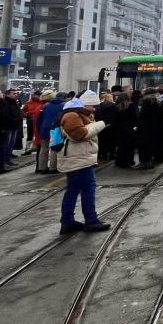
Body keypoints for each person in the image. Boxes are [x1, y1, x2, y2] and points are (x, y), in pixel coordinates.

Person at [58, 90, 111, 235]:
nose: (94, 109)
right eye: (92, 106)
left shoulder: (75, 114)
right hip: (78, 158)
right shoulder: (72, 115)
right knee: (88, 188)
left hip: (77, 156)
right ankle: (91, 220)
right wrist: (99, 125)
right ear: (84, 104)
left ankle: (67, 221)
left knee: (73, 189)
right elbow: (79, 135)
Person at [36, 90, 65, 174]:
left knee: (43, 148)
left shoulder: (45, 106)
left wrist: (39, 129)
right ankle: (53, 167)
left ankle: (42, 168)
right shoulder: (63, 105)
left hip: (44, 128)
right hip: (56, 129)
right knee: (54, 149)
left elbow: (39, 119)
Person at [136, 88, 163, 170]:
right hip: (155, 127)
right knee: (153, 145)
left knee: (144, 146)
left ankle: (144, 163)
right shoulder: (158, 102)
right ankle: (153, 160)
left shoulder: (146, 101)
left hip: (145, 127)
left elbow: (142, 114)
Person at [113, 92, 138, 168]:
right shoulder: (131, 106)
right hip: (130, 129)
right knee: (129, 146)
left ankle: (120, 161)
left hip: (120, 129)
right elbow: (135, 117)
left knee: (121, 146)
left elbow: (115, 119)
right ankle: (129, 161)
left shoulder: (116, 107)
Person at [94, 91, 117, 163]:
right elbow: (115, 116)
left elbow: (97, 115)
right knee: (111, 141)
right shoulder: (114, 106)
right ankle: (112, 155)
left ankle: (102, 155)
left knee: (102, 140)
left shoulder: (99, 106)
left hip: (102, 125)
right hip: (111, 126)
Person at [3, 88, 23, 165]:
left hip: (15, 126)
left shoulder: (15, 102)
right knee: (7, 144)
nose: (16, 95)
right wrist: (14, 119)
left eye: (16, 93)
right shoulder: (5, 103)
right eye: (13, 93)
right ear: (8, 94)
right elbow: (6, 115)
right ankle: (5, 160)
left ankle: (7, 159)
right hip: (9, 126)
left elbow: (18, 112)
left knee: (11, 144)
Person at [21, 90, 44, 155]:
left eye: (40, 95)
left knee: (38, 134)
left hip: (39, 121)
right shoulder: (28, 102)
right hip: (30, 121)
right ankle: (28, 150)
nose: (39, 96)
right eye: (38, 95)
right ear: (34, 95)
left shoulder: (42, 103)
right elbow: (23, 111)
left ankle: (38, 148)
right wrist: (27, 115)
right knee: (30, 135)